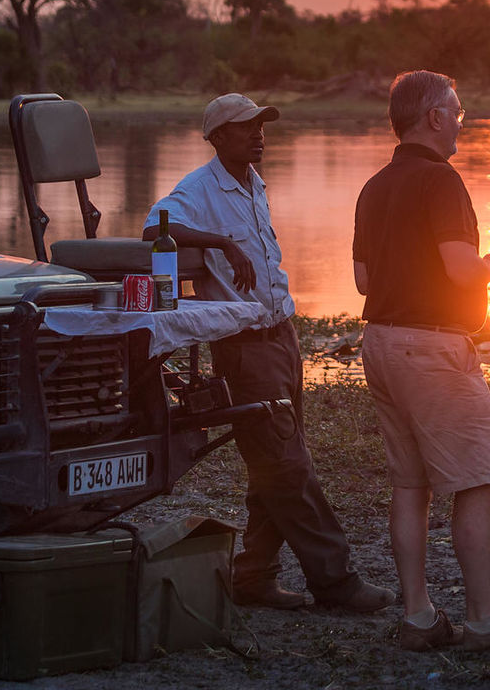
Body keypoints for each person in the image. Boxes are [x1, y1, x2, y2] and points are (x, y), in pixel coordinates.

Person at [145, 92, 393, 614]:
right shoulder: (198, 188)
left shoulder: (253, 181)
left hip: (280, 335)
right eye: (244, 127)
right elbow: (154, 227)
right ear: (217, 138)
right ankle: (337, 582)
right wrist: (221, 243)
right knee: (285, 465)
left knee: (274, 462)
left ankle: (253, 576)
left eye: (260, 124)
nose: (258, 134)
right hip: (244, 347)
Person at [352, 70, 490, 652]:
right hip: (433, 349)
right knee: (475, 484)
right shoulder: (441, 181)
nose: (462, 120)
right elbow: (461, 270)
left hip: (382, 345)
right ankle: (484, 621)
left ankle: (418, 617)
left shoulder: (374, 186)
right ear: (435, 118)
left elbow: (364, 279)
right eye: (458, 110)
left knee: (410, 485)